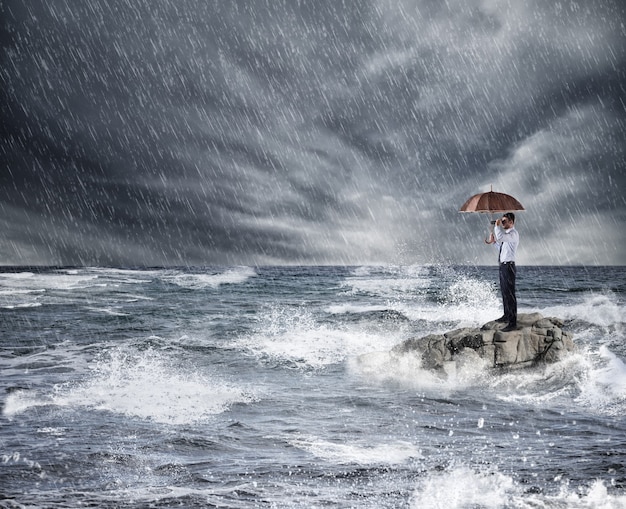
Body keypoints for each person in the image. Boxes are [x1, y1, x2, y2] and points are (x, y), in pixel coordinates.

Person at [485, 212, 519, 331]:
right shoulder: (506, 236)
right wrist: (494, 242)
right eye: (502, 221)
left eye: (504, 221)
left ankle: (513, 323)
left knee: (510, 294)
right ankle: (506, 315)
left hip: (509, 266)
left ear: (511, 222)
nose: (502, 223)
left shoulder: (513, 234)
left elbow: (500, 237)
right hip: (503, 266)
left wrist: (496, 226)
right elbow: (501, 249)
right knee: (505, 292)